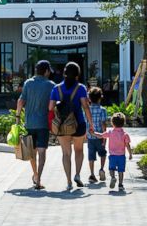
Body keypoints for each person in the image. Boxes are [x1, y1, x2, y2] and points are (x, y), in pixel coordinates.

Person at [48, 61, 94, 190]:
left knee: (66, 153)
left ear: (64, 73)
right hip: (78, 123)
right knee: (79, 150)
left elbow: (50, 107)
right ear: (77, 75)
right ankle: (78, 175)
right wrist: (91, 124)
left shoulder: (56, 88)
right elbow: (86, 107)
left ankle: (68, 181)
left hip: (62, 125)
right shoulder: (81, 88)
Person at [16, 60, 55, 190]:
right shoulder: (51, 85)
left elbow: (20, 101)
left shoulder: (28, 83)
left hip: (29, 123)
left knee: (31, 152)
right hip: (43, 124)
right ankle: (39, 179)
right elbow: (53, 105)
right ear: (46, 71)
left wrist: (17, 119)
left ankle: (35, 174)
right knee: (42, 151)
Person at [92, 112, 133, 191]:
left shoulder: (110, 132)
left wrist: (93, 133)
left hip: (113, 155)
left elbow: (100, 135)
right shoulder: (125, 134)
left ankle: (113, 177)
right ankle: (120, 184)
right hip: (121, 156)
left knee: (111, 169)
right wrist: (130, 154)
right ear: (123, 123)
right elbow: (128, 145)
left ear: (112, 123)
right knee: (121, 171)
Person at [86, 86, 108, 183]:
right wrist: (104, 138)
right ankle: (102, 169)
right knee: (102, 153)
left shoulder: (87, 110)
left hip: (90, 137)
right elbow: (103, 125)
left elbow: (85, 122)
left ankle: (92, 174)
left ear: (89, 98)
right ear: (100, 98)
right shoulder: (102, 110)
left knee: (91, 156)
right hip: (100, 136)